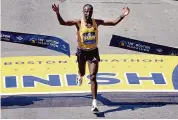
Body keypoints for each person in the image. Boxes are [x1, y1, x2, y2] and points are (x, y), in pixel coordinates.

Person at [52, 3, 130, 113]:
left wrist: (122, 15)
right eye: (86, 11)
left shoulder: (96, 22)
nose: (88, 13)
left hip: (93, 52)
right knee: (83, 73)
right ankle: (80, 75)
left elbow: (113, 23)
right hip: (81, 52)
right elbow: (63, 23)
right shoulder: (78, 22)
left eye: (90, 11)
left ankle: (94, 103)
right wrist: (57, 13)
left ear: (92, 12)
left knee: (93, 77)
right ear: (83, 12)